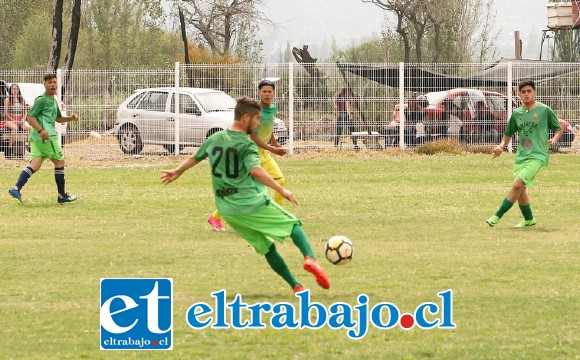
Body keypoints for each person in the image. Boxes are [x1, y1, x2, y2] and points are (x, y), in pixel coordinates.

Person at [161, 96, 330, 294]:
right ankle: (311, 258)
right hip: (250, 202)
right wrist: (281, 189)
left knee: (267, 248)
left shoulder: (214, 139)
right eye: (257, 119)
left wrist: (178, 171)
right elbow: (256, 171)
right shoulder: (247, 144)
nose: (259, 124)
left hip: (228, 210)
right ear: (246, 118)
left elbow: (194, 157)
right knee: (294, 226)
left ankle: (297, 286)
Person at [207, 79, 288, 231]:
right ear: (259, 93)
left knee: (280, 182)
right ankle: (215, 217)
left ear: (274, 93)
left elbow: (268, 127)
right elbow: (253, 136)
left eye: (270, 91)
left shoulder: (272, 109)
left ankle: (276, 217)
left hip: (262, 153)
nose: (267, 94)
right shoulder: (255, 112)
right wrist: (273, 149)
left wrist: (275, 142)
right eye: (264, 91)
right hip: (248, 153)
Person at [486, 80, 562, 228]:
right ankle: (529, 220)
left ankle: (496, 216)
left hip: (538, 155)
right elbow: (508, 133)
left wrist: (554, 139)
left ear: (535, 93)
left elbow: (558, 129)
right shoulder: (517, 113)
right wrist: (501, 146)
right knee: (521, 190)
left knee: (517, 185)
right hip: (521, 156)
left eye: (529, 91)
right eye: (523, 92)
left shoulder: (544, 110)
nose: (526, 94)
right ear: (519, 95)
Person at [8, 74, 80, 205]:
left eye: (55, 82)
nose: (53, 84)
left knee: (34, 165)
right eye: (50, 82)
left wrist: (70, 118)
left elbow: (58, 118)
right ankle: (61, 195)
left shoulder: (53, 100)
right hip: (45, 138)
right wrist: (41, 130)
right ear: (44, 84)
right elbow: (29, 117)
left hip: (36, 138)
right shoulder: (41, 100)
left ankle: (16, 189)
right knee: (59, 162)